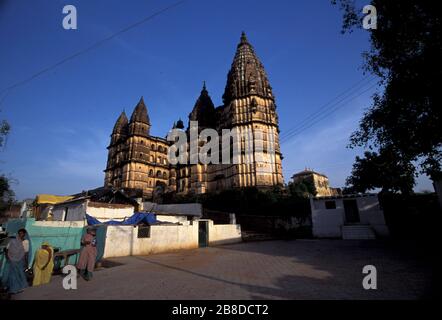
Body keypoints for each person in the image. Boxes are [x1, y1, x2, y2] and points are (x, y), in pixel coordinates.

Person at [3, 229, 29, 294]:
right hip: (12, 260)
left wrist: (26, 262)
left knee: (20, 274)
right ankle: (14, 289)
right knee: (13, 275)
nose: (20, 235)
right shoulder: (13, 241)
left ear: (24, 234)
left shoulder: (25, 242)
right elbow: (6, 249)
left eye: (22, 233)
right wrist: (8, 258)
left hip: (21, 260)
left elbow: (26, 253)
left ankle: (20, 288)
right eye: (19, 233)